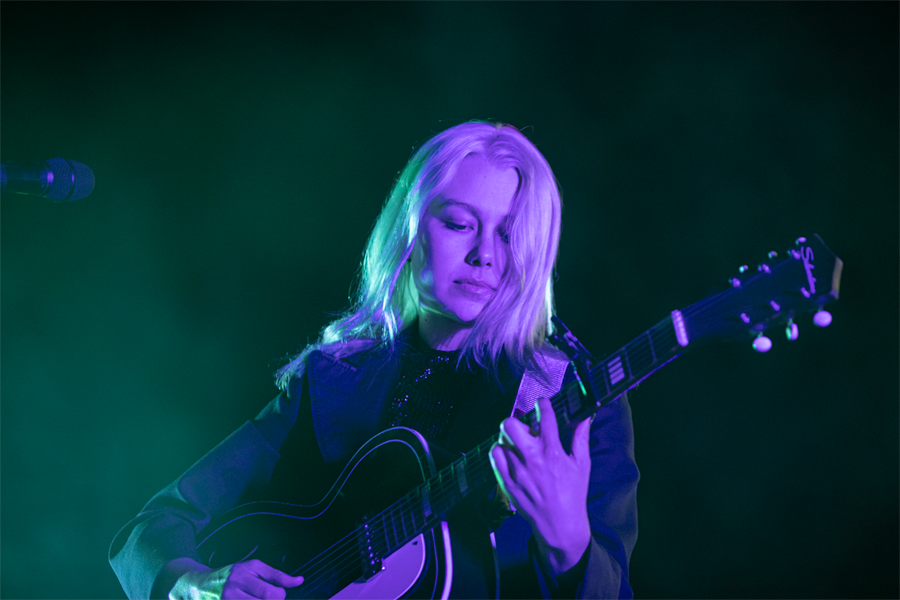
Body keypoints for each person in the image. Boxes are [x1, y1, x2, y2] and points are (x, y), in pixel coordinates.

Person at [109, 121, 639, 599]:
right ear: (410, 229)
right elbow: (153, 526)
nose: (485, 255)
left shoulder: (568, 401)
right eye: (459, 223)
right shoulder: (329, 379)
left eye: (507, 234)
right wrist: (189, 583)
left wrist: (570, 545)